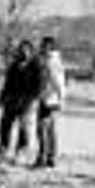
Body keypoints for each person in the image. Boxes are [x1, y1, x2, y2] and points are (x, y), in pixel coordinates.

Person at [0, 39, 42, 164]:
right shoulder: (14, 65)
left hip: (26, 101)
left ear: (31, 52)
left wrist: (32, 100)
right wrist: (2, 96)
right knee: (5, 125)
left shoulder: (36, 66)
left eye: (26, 50)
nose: (23, 52)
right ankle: (3, 149)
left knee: (24, 128)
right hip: (11, 99)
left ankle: (21, 152)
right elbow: (7, 83)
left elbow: (38, 86)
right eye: (21, 50)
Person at [35, 36, 66, 168]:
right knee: (51, 130)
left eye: (43, 45)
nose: (41, 47)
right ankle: (51, 157)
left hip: (48, 99)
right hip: (52, 99)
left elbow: (57, 81)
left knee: (42, 129)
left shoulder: (50, 61)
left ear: (49, 47)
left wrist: (60, 97)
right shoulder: (56, 60)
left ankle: (43, 157)